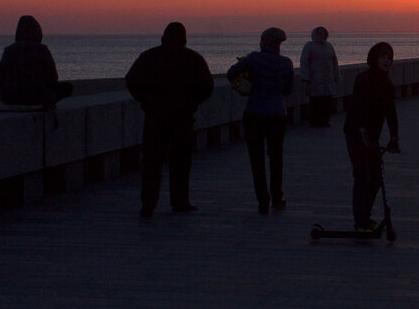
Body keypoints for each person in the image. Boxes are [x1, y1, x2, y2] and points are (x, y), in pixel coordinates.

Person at [126, 22, 214, 218]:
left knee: (151, 162)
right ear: (184, 38)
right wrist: (192, 102)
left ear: (163, 36)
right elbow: (207, 86)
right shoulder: (193, 58)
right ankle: (180, 201)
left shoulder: (149, 57)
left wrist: (146, 100)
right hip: (183, 117)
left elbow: (131, 80)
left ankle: (148, 204)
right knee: (181, 160)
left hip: (155, 116)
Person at [227, 27, 294, 215]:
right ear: (280, 44)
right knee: (276, 157)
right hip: (277, 113)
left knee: (256, 158)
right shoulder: (286, 63)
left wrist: (249, 80)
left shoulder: (254, 59)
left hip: (254, 112)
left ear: (263, 41)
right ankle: (277, 196)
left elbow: (231, 73)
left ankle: (262, 200)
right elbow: (288, 90)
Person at [343, 42, 400, 232]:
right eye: (383, 56)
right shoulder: (363, 79)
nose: (387, 60)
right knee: (362, 176)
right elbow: (356, 108)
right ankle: (360, 221)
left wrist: (394, 137)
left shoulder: (388, 84)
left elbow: (391, 114)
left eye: (389, 57)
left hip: (372, 136)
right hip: (356, 133)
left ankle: (365, 217)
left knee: (376, 178)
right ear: (374, 58)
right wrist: (361, 129)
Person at [0, 15, 73, 108]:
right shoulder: (41, 49)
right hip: (36, 98)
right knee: (67, 88)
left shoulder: (8, 50)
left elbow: (0, 78)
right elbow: (52, 77)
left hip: (9, 98)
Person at [300, 26, 341, 127]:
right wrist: (305, 76)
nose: (322, 35)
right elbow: (304, 62)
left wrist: (337, 75)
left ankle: (325, 120)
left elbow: (334, 62)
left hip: (328, 78)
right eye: (320, 33)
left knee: (327, 101)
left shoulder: (329, 46)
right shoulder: (309, 46)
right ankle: (315, 121)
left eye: (324, 33)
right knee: (315, 101)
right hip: (315, 78)